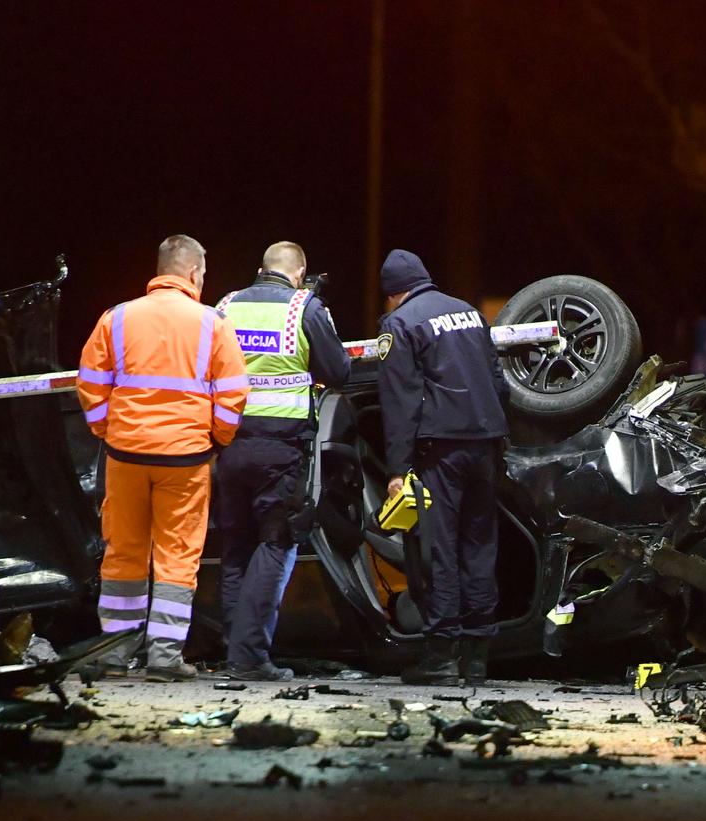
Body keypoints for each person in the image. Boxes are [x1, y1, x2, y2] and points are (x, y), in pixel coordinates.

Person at [76, 235, 249, 681]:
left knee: (123, 551)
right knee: (177, 556)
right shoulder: (212, 323)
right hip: (185, 459)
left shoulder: (116, 318)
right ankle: (164, 658)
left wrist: (107, 429)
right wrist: (216, 439)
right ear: (193, 272)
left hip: (126, 454)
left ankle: (114, 654)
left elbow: (91, 384)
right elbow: (232, 394)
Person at [213, 242, 351, 680]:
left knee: (236, 548)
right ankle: (250, 657)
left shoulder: (226, 305)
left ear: (261, 270)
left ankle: (233, 650)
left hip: (230, 446)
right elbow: (340, 372)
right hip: (281, 451)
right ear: (300, 273)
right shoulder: (304, 308)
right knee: (277, 544)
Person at [375, 249, 510, 685]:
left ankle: (441, 659)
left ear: (393, 294)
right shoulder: (467, 313)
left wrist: (397, 468)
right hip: (486, 445)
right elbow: (496, 381)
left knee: (441, 551)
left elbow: (399, 402)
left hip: (441, 451)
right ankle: (477, 659)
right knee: (479, 548)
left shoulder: (399, 323)